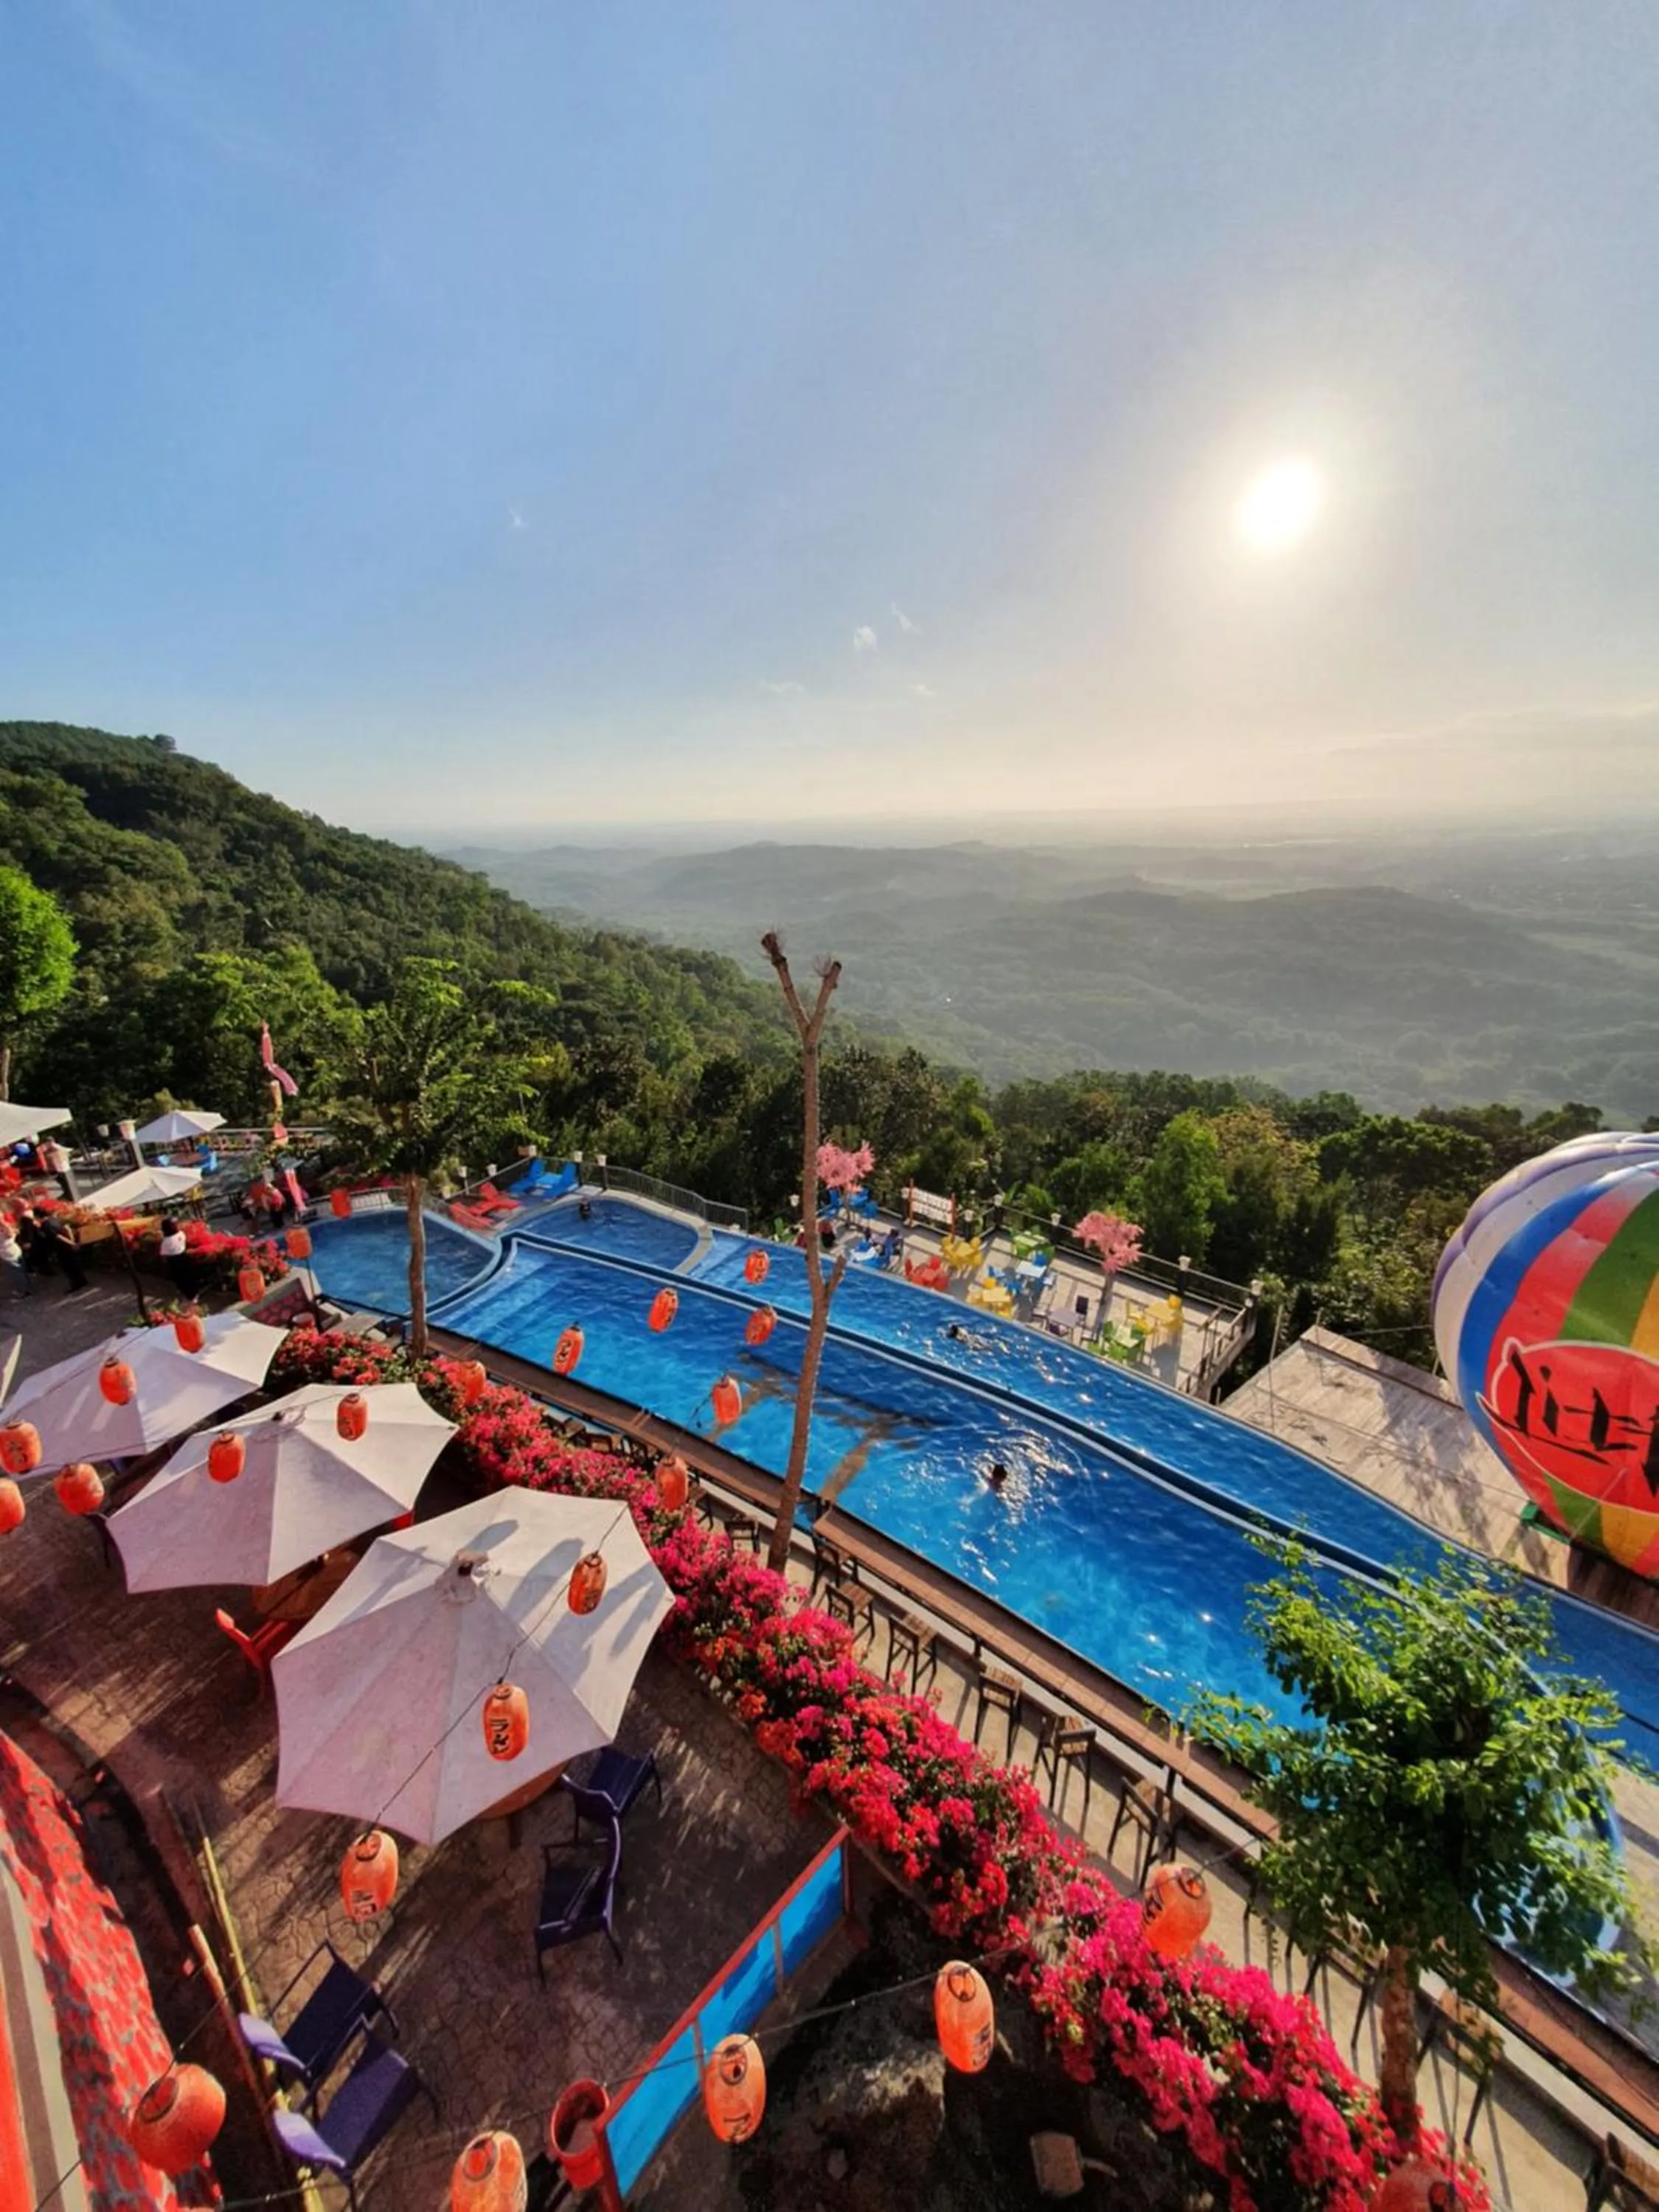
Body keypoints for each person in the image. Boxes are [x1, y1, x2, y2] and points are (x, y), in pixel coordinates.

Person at [45, 1213, 88, 1293]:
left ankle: (76, 1284)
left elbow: (58, 1237)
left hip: (61, 1247)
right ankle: (82, 1280)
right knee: (74, 1263)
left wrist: (72, 1244)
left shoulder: (47, 1224)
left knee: (68, 1267)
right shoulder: (58, 1219)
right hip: (68, 1245)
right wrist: (73, 1242)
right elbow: (68, 1229)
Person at [158, 1215, 191, 1295]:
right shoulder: (181, 1234)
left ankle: (183, 1289)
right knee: (185, 1275)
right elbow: (185, 1242)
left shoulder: (166, 1241)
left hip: (174, 1261)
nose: (178, 1226)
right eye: (176, 1225)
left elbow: (163, 1255)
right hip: (183, 1257)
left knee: (179, 1277)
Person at [0, 1217, 29, 1299]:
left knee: (16, 1274)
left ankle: (23, 1291)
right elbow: (14, 1231)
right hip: (15, 1251)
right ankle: (26, 1287)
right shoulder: (8, 1228)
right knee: (21, 1270)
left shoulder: (3, 1233)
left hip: (8, 1255)